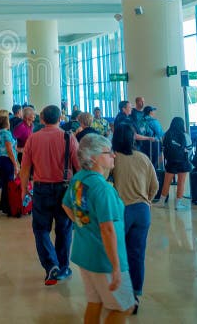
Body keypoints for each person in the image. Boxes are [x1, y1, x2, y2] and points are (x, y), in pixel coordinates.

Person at [62, 134, 136, 322]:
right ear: (93, 158)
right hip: (104, 259)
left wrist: (83, 226)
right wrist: (116, 266)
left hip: (85, 253)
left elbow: (66, 205)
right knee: (125, 307)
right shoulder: (103, 189)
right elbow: (108, 229)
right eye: (108, 152)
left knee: (95, 302)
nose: (114, 155)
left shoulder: (79, 179)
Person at [20, 105, 81, 286]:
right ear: (59, 119)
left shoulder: (33, 139)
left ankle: (51, 265)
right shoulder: (69, 138)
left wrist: (24, 189)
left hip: (41, 189)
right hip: (65, 188)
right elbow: (79, 167)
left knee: (41, 229)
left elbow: (25, 168)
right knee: (64, 229)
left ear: (42, 119)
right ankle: (62, 266)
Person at [110, 123, 158, 313]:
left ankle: (119, 294)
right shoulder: (143, 158)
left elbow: (103, 182)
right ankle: (135, 296)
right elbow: (154, 186)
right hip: (142, 211)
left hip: (121, 210)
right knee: (137, 254)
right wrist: (146, 201)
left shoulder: (114, 158)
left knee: (118, 255)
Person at [156, 117, 193, 210]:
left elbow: (163, 149)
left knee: (166, 182)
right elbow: (189, 149)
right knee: (181, 182)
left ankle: (161, 201)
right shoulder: (185, 135)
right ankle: (178, 204)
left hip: (171, 162)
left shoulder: (167, 135)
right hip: (183, 162)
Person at [0, 115, 19, 215]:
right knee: (9, 184)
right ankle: (7, 207)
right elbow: (9, 149)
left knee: (4, 183)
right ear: (6, 123)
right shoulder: (6, 133)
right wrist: (15, 164)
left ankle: (2, 206)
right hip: (7, 160)